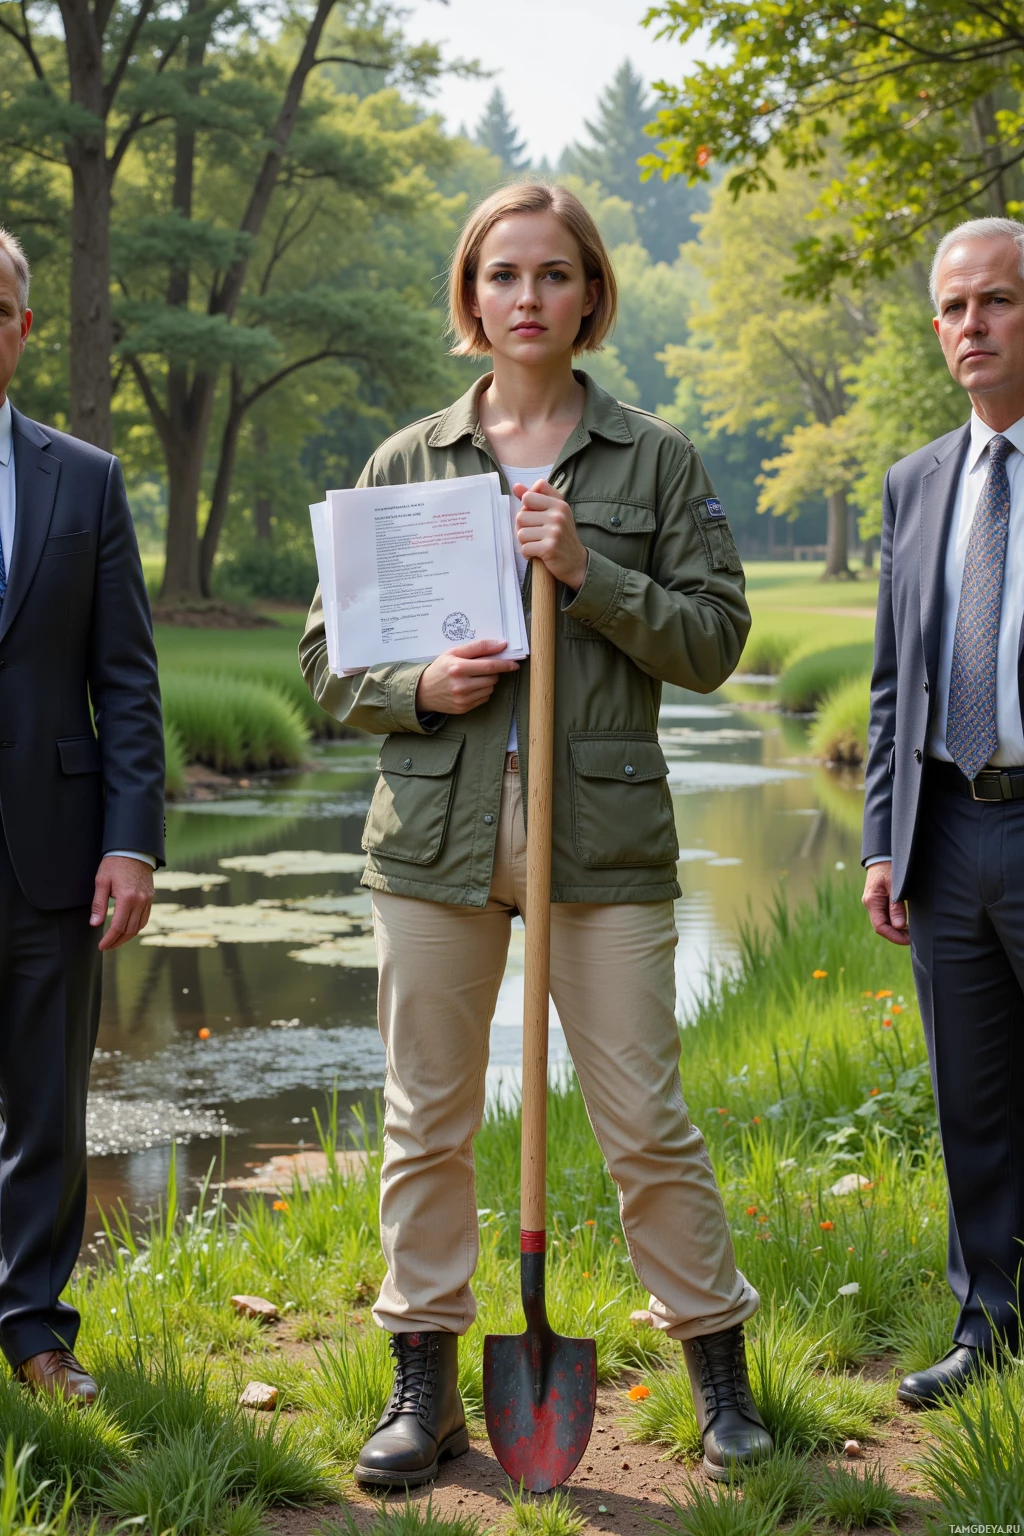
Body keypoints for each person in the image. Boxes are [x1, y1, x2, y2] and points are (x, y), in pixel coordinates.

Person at [301, 182, 772, 1486]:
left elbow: (716, 641)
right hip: (434, 841)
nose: (527, 297)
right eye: (502, 274)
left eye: (553, 274)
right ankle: (424, 1386)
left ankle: (718, 1375)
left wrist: (590, 574)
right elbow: (328, 659)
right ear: (471, 295)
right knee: (426, 1120)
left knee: (646, 1117)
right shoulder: (407, 463)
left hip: (599, 838)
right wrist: (416, 687)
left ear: (591, 294)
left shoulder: (654, 461)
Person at [0, 228, 164, 1402]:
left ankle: (33, 1333)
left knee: (48, 1106)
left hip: (51, 850)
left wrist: (129, 840)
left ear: (22, 327)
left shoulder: (87, 478)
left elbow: (128, 680)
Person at [863, 216, 1024, 1407]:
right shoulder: (915, 481)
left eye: (998, 301)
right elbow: (891, 682)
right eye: (955, 308)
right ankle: (989, 1329)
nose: (973, 325)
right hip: (946, 826)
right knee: (971, 1100)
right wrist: (881, 842)